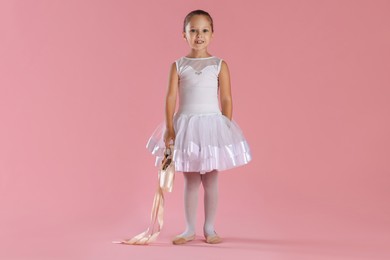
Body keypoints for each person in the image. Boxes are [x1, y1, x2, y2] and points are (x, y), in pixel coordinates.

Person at [145, 9, 252, 245]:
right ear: (184, 35)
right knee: (191, 180)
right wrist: (170, 127)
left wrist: (225, 124)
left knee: (211, 179)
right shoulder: (178, 65)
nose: (199, 35)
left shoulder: (219, 64)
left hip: (212, 126)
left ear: (212, 34)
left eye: (204, 30)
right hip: (187, 126)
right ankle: (189, 228)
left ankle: (210, 228)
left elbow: (226, 98)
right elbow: (170, 97)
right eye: (193, 30)